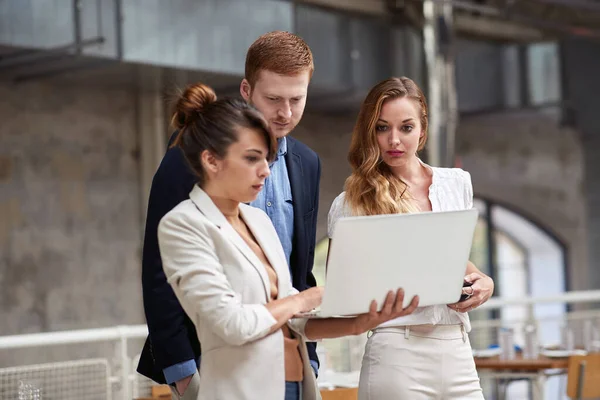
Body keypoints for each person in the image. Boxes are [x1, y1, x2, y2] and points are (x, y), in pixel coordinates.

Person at [158, 83, 419, 400]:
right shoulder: (183, 224)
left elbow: (292, 322)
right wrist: (308, 297)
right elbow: (233, 324)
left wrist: (358, 323)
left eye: (266, 158)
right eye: (252, 159)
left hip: (295, 387)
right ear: (212, 161)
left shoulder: (259, 221)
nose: (266, 171)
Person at [137, 31, 324, 398]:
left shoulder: (307, 164)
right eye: (273, 99)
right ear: (245, 90)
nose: (285, 112)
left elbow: (299, 270)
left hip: (290, 364)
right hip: (212, 364)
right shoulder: (190, 159)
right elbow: (159, 272)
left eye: (296, 99)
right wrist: (182, 372)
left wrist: (310, 359)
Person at [327, 77, 494, 400]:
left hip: (457, 349)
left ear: (422, 130)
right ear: (369, 131)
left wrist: (482, 280)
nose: (394, 140)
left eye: (405, 127)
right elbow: (340, 291)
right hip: (396, 352)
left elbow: (455, 259)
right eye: (381, 128)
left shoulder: (456, 183)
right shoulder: (352, 200)